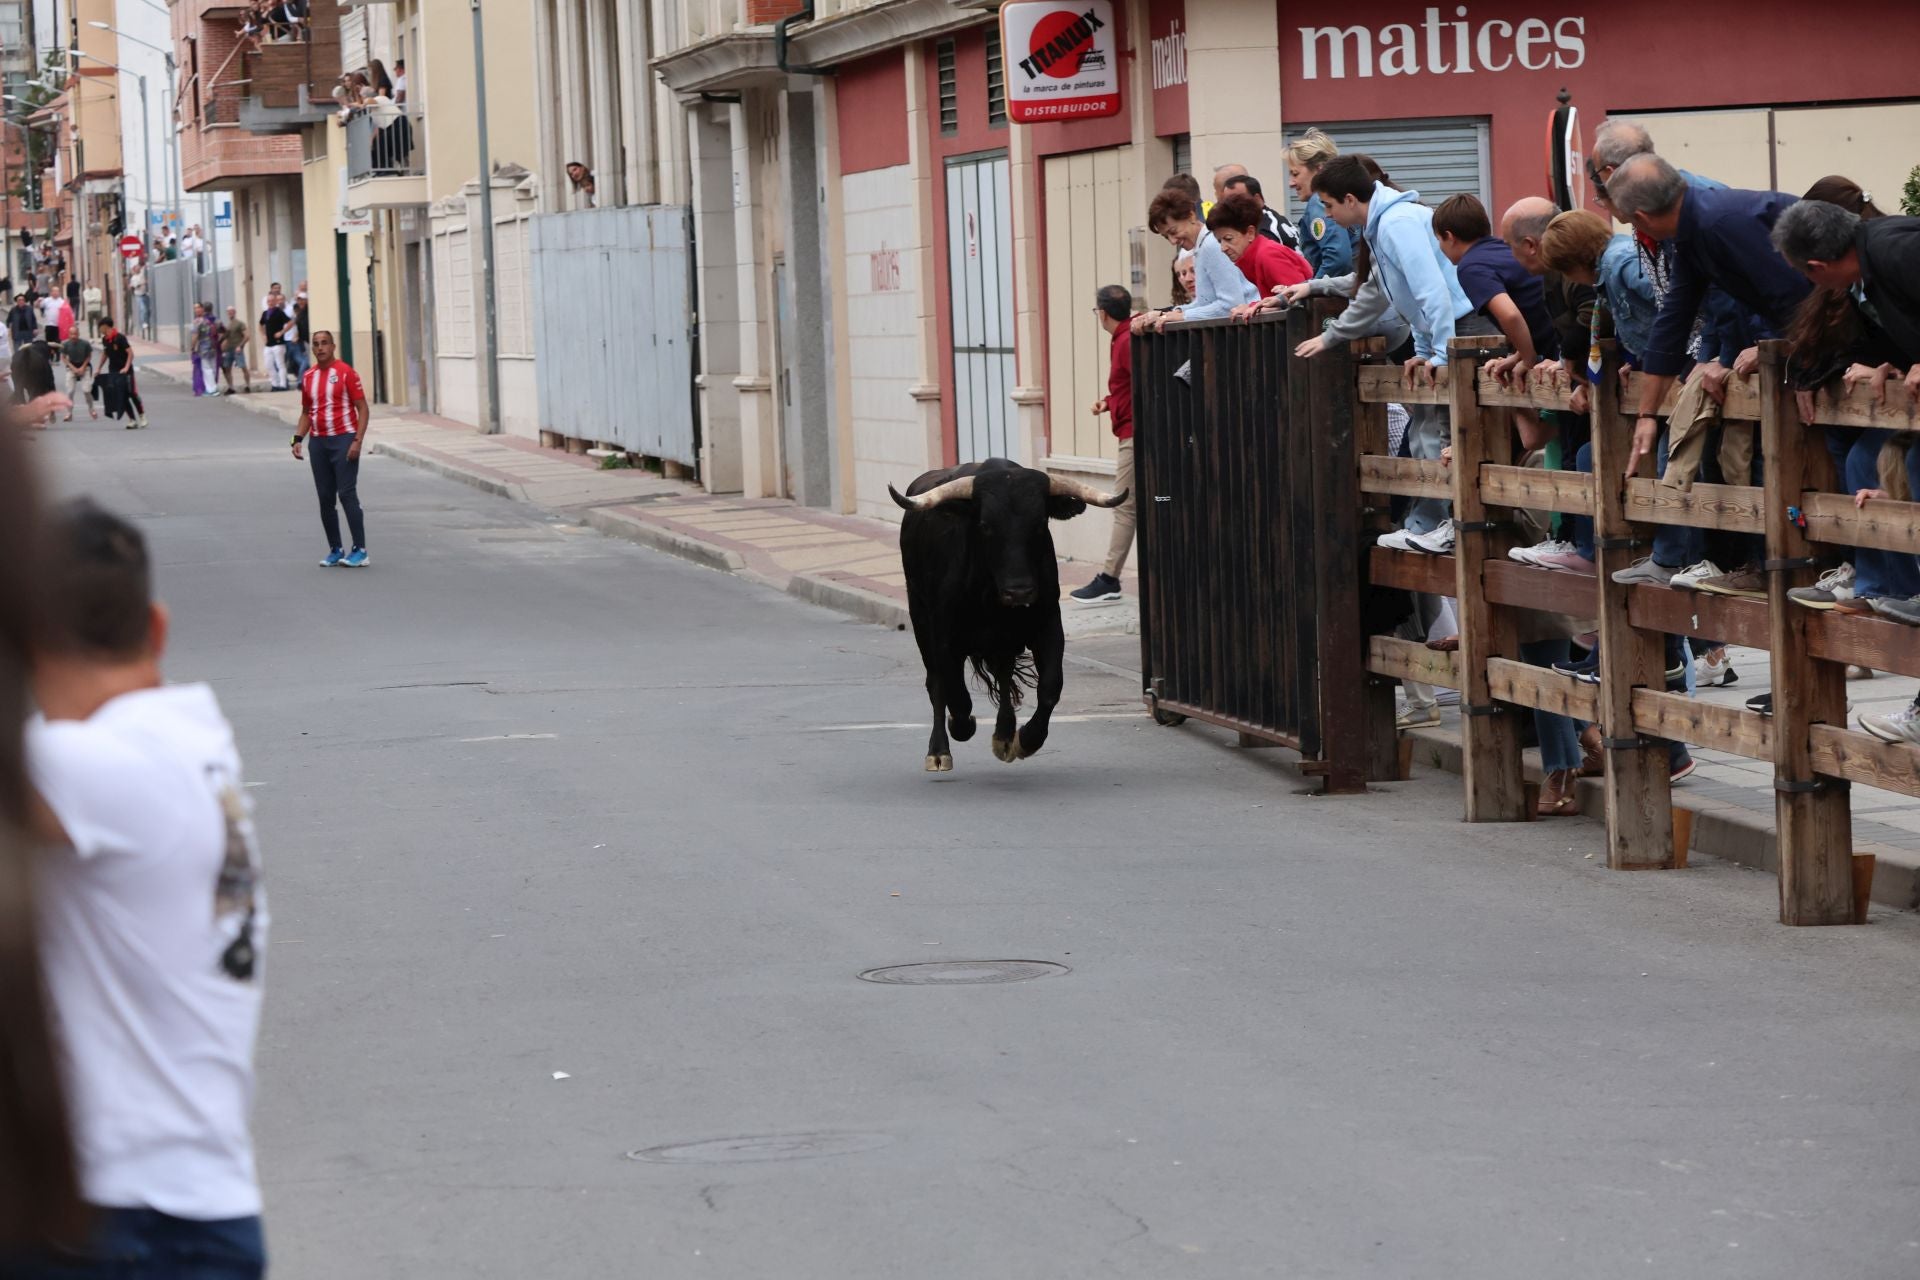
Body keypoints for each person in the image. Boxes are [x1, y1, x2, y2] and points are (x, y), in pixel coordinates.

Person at [14, 499, 269, 1280]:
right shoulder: (191, 743)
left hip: (116, 1227)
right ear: (155, 627)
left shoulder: (85, 769)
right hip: (205, 1212)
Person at [1312, 153, 1484, 553]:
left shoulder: (1396, 224)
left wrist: (1440, 353)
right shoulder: (1382, 226)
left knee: (1444, 434)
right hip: (1443, 333)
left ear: (1351, 199)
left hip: (1460, 329)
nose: (1328, 214)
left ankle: (1449, 525)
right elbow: (1405, 293)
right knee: (1427, 432)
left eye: (1330, 205)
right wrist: (1425, 349)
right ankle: (1432, 523)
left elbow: (1432, 290)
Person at [1432, 193, 1556, 447]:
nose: (1440, 249)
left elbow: (1509, 313)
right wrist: (1517, 356)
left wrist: (1528, 357)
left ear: (1449, 237)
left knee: (1538, 439)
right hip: (1559, 338)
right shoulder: (1502, 249)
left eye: (1439, 241)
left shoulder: (1470, 266)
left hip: (1552, 351)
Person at [1070, 285, 1136, 605]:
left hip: (1135, 435)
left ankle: (1109, 579)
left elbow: (1143, 382)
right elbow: (1129, 385)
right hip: (1132, 428)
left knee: (1123, 506)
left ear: (1103, 313)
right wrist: (1109, 402)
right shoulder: (1125, 337)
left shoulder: (1125, 341)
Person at [1132, 186, 1257, 334]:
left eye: (1173, 231)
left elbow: (1230, 304)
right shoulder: (1203, 246)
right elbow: (1206, 302)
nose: (1172, 241)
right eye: (1166, 237)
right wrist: (1167, 314)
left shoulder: (1210, 245)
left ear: (1191, 216)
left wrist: (1183, 315)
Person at [293, 330, 371, 567]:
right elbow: (307, 412)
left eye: (325, 343)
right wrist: (297, 439)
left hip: (344, 439)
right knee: (325, 497)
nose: (320, 348)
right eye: (316, 344)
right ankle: (335, 549)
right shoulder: (308, 377)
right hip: (319, 443)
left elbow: (363, 408)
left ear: (333, 346)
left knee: (346, 493)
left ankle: (360, 550)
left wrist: (357, 440)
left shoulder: (346, 372)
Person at [1212, 194, 1310, 317]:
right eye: (1219, 241)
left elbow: (1298, 300)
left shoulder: (1268, 254)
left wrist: (1254, 307)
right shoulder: (1259, 254)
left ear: (1250, 233)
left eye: (1228, 239)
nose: (1223, 248)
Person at [1284, 128, 1354, 279]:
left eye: (1295, 174)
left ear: (1319, 169)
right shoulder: (1341, 195)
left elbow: (1337, 259)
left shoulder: (1319, 202)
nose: (1291, 183)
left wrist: (1311, 289)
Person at [94, 319, 147, 429]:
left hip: (126, 371)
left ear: (105, 326)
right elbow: (105, 354)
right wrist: (98, 368)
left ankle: (142, 415)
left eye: (100, 327)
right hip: (114, 371)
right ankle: (132, 420)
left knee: (132, 393)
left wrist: (126, 367)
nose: (99, 329)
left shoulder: (120, 338)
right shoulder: (104, 339)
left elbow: (130, 353)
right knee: (121, 395)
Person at [58, 330, 96, 422]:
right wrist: (73, 368)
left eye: (75, 334)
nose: (73, 336)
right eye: (71, 334)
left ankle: (91, 409)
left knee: (86, 390)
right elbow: (63, 357)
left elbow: (89, 356)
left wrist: (83, 367)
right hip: (71, 368)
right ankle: (69, 413)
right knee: (70, 391)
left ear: (78, 334)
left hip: (85, 367)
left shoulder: (85, 344)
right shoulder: (65, 344)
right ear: (69, 335)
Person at [259, 297, 290, 391]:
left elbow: (290, 322)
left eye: (272, 301)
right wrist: (263, 335)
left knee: (280, 364)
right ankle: (274, 383)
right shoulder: (265, 313)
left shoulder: (279, 312)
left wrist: (282, 332)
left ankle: (283, 384)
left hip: (278, 343)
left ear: (275, 302)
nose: (270, 303)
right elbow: (260, 325)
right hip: (269, 344)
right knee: (268, 364)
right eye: (269, 301)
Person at [190, 302, 221, 398]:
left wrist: (192, 347)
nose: (197, 310)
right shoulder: (214, 321)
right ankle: (214, 387)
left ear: (203, 309)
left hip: (204, 348)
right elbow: (222, 331)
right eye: (195, 308)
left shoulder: (198, 322)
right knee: (213, 368)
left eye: (198, 308)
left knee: (207, 369)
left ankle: (211, 389)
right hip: (213, 347)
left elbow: (195, 336)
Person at [221, 306, 251, 395]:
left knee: (243, 367)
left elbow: (247, 336)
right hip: (228, 349)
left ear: (235, 312)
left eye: (231, 311)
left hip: (237, 349)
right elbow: (226, 339)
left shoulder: (240, 323)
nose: (230, 313)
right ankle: (231, 387)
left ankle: (247, 386)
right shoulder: (228, 325)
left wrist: (240, 346)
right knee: (226, 368)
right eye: (228, 312)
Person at [285, 292, 311, 380]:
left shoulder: (309, 311)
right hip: (303, 341)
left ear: (306, 301)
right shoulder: (300, 313)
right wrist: (295, 336)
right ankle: (300, 378)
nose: (301, 302)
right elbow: (296, 325)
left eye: (302, 300)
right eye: (299, 300)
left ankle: (300, 379)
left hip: (310, 340)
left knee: (306, 361)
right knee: (303, 360)